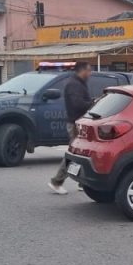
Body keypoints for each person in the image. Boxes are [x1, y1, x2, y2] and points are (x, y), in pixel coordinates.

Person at [49, 61, 94, 195]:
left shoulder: (78, 83)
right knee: (74, 154)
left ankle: (83, 182)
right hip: (75, 123)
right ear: (82, 71)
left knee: (83, 153)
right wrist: (92, 103)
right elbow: (77, 104)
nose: (90, 73)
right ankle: (57, 181)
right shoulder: (74, 84)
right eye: (89, 70)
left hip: (79, 123)